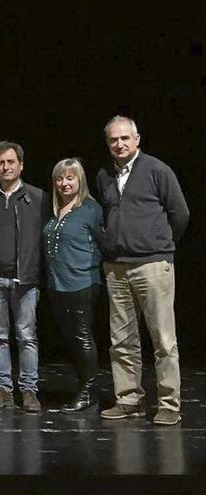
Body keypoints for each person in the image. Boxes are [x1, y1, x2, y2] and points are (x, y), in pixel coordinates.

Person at [96, 116, 189, 426]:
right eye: (113, 140)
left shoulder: (156, 169)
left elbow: (180, 213)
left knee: (163, 339)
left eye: (125, 138)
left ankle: (169, 403)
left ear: (137, 139)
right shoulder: (104, 174)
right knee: (121, 340)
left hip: (152, 264)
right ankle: (128, 399)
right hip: (116, 267)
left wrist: (159, 245)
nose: (119, 144)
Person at [0, 141, 48, 413]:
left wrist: (38, 273)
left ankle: (29, 390)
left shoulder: (37, 197)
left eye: (10, 162)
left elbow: (44, 239)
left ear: (21, 165)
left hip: (25, 280)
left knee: (27, 336)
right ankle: (4, 388)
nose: (6, 167)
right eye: (0, 163)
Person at [43, 158, 103, 412]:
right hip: (57, 283)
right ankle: (82, 387)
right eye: (60, 178)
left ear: (80, 180)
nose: (64, 183)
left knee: (83, 336)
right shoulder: (56, 209)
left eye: (70, 178)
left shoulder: (90, 208)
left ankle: (89, 391)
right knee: (71, 338)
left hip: (82, 282)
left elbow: (103, 243)